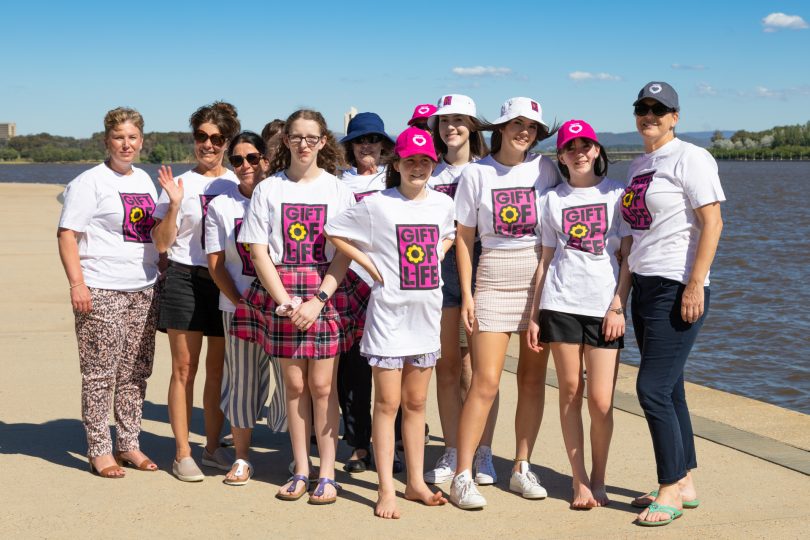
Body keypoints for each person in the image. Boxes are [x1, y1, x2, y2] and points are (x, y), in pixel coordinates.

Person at [231, 109, 368, 504]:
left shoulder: (338, 190)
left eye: (312, 137)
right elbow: (258, 250)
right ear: (286, 141)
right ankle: (301, 468)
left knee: (323, 386)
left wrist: (319, 299)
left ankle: (327, 473)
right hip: (281, 290)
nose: (304, 144)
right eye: (296, 137)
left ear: (323, 141)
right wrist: (287, 303)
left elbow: (345, 250)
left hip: (326, 287)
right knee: (293, 385)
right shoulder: (269, 189)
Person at [325, 127, 454, 518]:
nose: (418, 167)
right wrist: (368, 264)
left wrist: (437, 252)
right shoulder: (379, 203)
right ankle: (385, 488)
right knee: (387, 403)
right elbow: (333, 230)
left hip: (426, 314)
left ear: (433, 165)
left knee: (416, 404)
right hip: (389, 318)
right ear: (396, 163)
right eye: (410, 160)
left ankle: (415, 482)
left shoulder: (442, 205)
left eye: (425, 161)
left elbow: (448, 236)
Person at [450, 97, 562, 509]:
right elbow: (464, 238)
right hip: (493, 279)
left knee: (533, 381)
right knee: (485, 382)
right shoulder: (477, 174)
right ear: (498, 128)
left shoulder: (546, 168)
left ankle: (521, 466)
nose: (524, 132)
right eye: (516, 124)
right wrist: (467, 295)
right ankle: (463, 474)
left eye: (531, 126)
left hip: (537, 279)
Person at [621, 82, 724, 527]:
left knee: (651, 389)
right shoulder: (639, 164)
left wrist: (695, 284)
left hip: (675, 285)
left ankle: (669, 489)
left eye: (659, 110)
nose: (650, 116)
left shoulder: (692, 157)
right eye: (643, 108)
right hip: (645, 285)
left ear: (675, 116)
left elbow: (713, 221)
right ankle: (685, 482)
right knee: (671, 386)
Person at [527, 120, 632, 509]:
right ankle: (580, 481)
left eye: (586, 145)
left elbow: (627, 259)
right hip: (561, 304)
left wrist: (618, 305)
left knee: (601, 401)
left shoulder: (617, 195)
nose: (580, 153)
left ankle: (601, 477)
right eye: (571, 147)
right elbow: (546, 259)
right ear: (561, 156)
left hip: (605, 308)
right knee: (570, 393)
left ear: (598, 151)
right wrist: (536, 314)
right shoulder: (551, 200)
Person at [57, 107, 159, 478]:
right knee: (100, 372)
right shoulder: (90, 182)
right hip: (101, 287)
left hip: (144, 287)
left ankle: (129, 442)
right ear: (107, 141)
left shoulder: (145, 180)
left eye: (133, 138)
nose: (126, 144)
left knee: (136, 371)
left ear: (141, 141)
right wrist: (77, 283)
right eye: (119, 137)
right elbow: (67, 234)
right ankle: (99, 448)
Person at [152, 101, 241, 481]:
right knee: (184, 369)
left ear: (227, 141)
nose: (208, 144)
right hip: (185, 277)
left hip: (224, 280)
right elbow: (160, 243)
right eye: (201, 137)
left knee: (218, 371)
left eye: (217, 138)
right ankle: (182, 452)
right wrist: (173, 206)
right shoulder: (180, 185)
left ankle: (212, 448)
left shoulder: (238, 183)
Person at [423, 94, 499, 486]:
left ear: (473, 125)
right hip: (439, 277)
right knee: (447, 366)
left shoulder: (487, 170)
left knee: (480, 371)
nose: (451, 127)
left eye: (459, 120)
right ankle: (453, 450)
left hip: (483, 273)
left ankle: (482, 452)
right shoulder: (428, 172)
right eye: (444, 121)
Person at [204, 131, 279, 486]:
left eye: (252, 158)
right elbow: (216, 264)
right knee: (243, 384)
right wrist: (241, 303)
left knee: (292, 383)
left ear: (266, 159)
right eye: (237, 160)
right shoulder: (222, 205)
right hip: (237, 308)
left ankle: (297, 455)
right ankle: (243, 457)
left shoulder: (281, 195)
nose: (245, 165)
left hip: (284, 307)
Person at [337, 112, 396, 474]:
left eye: (373, 139)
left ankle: (394, 443)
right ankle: (359, 444)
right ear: (350, 146)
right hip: (350, 282)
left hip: (391, 283)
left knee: (393, 365)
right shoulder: (337, 183)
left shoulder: (395, 177)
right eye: (360, 140)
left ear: (384, 144)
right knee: (354, 371)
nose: (367, 146)